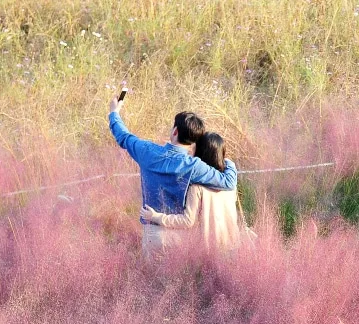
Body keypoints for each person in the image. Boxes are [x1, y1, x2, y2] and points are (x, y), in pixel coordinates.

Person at [107, 93, 238, 257]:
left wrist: (114, 113)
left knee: (150, 282)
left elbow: (124, 137)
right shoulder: (195, 166)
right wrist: (227, 160)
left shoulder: (147, 151)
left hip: (153, 233)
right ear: (194, 141)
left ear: (175, 131)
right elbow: (229, 182)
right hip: (181, 236)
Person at [140, 132, 252, 252]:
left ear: (200, 153)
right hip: (232, 245)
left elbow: (187, 221)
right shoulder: (230, 184)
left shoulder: (197, 188)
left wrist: (156, 217)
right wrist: (229, 162)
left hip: (209, 251)